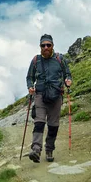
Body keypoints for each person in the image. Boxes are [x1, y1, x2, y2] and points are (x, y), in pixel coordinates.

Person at [25, 34, 72, 163]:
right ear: (40, 46)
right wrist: (30, 87)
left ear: (52, 46)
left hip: (56, 95)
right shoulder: (36, 60)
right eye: (43, 45)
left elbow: (67, 73)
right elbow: (30, 77)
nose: (45, 47)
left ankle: (49, 149)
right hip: (40, 95)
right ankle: (36, 149)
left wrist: (68, 80)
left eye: (48, 45)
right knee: (39, 122)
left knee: (53, 125)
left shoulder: (60, 59)